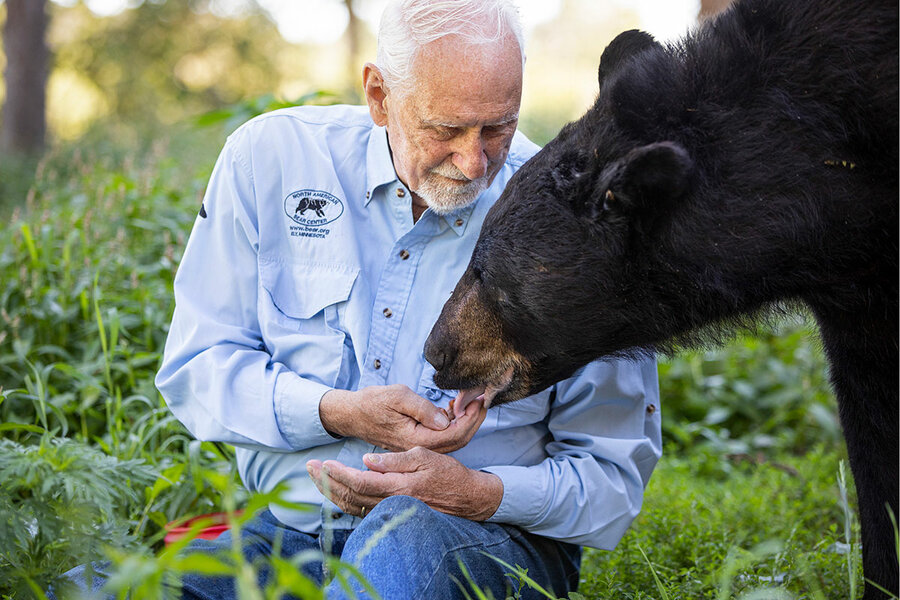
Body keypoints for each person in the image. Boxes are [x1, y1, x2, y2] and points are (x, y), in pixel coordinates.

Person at [53, 1, 662, 598]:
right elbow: (198, 368)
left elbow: (612, 479)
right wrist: (331, 410)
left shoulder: (578, 215)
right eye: (445, 129)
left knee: (404, 543)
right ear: (378, 96)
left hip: (484, 540)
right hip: (286, 533)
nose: (476, 161)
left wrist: (475, 492)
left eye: (499, 126)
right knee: (109, 589)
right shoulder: (268, 162)